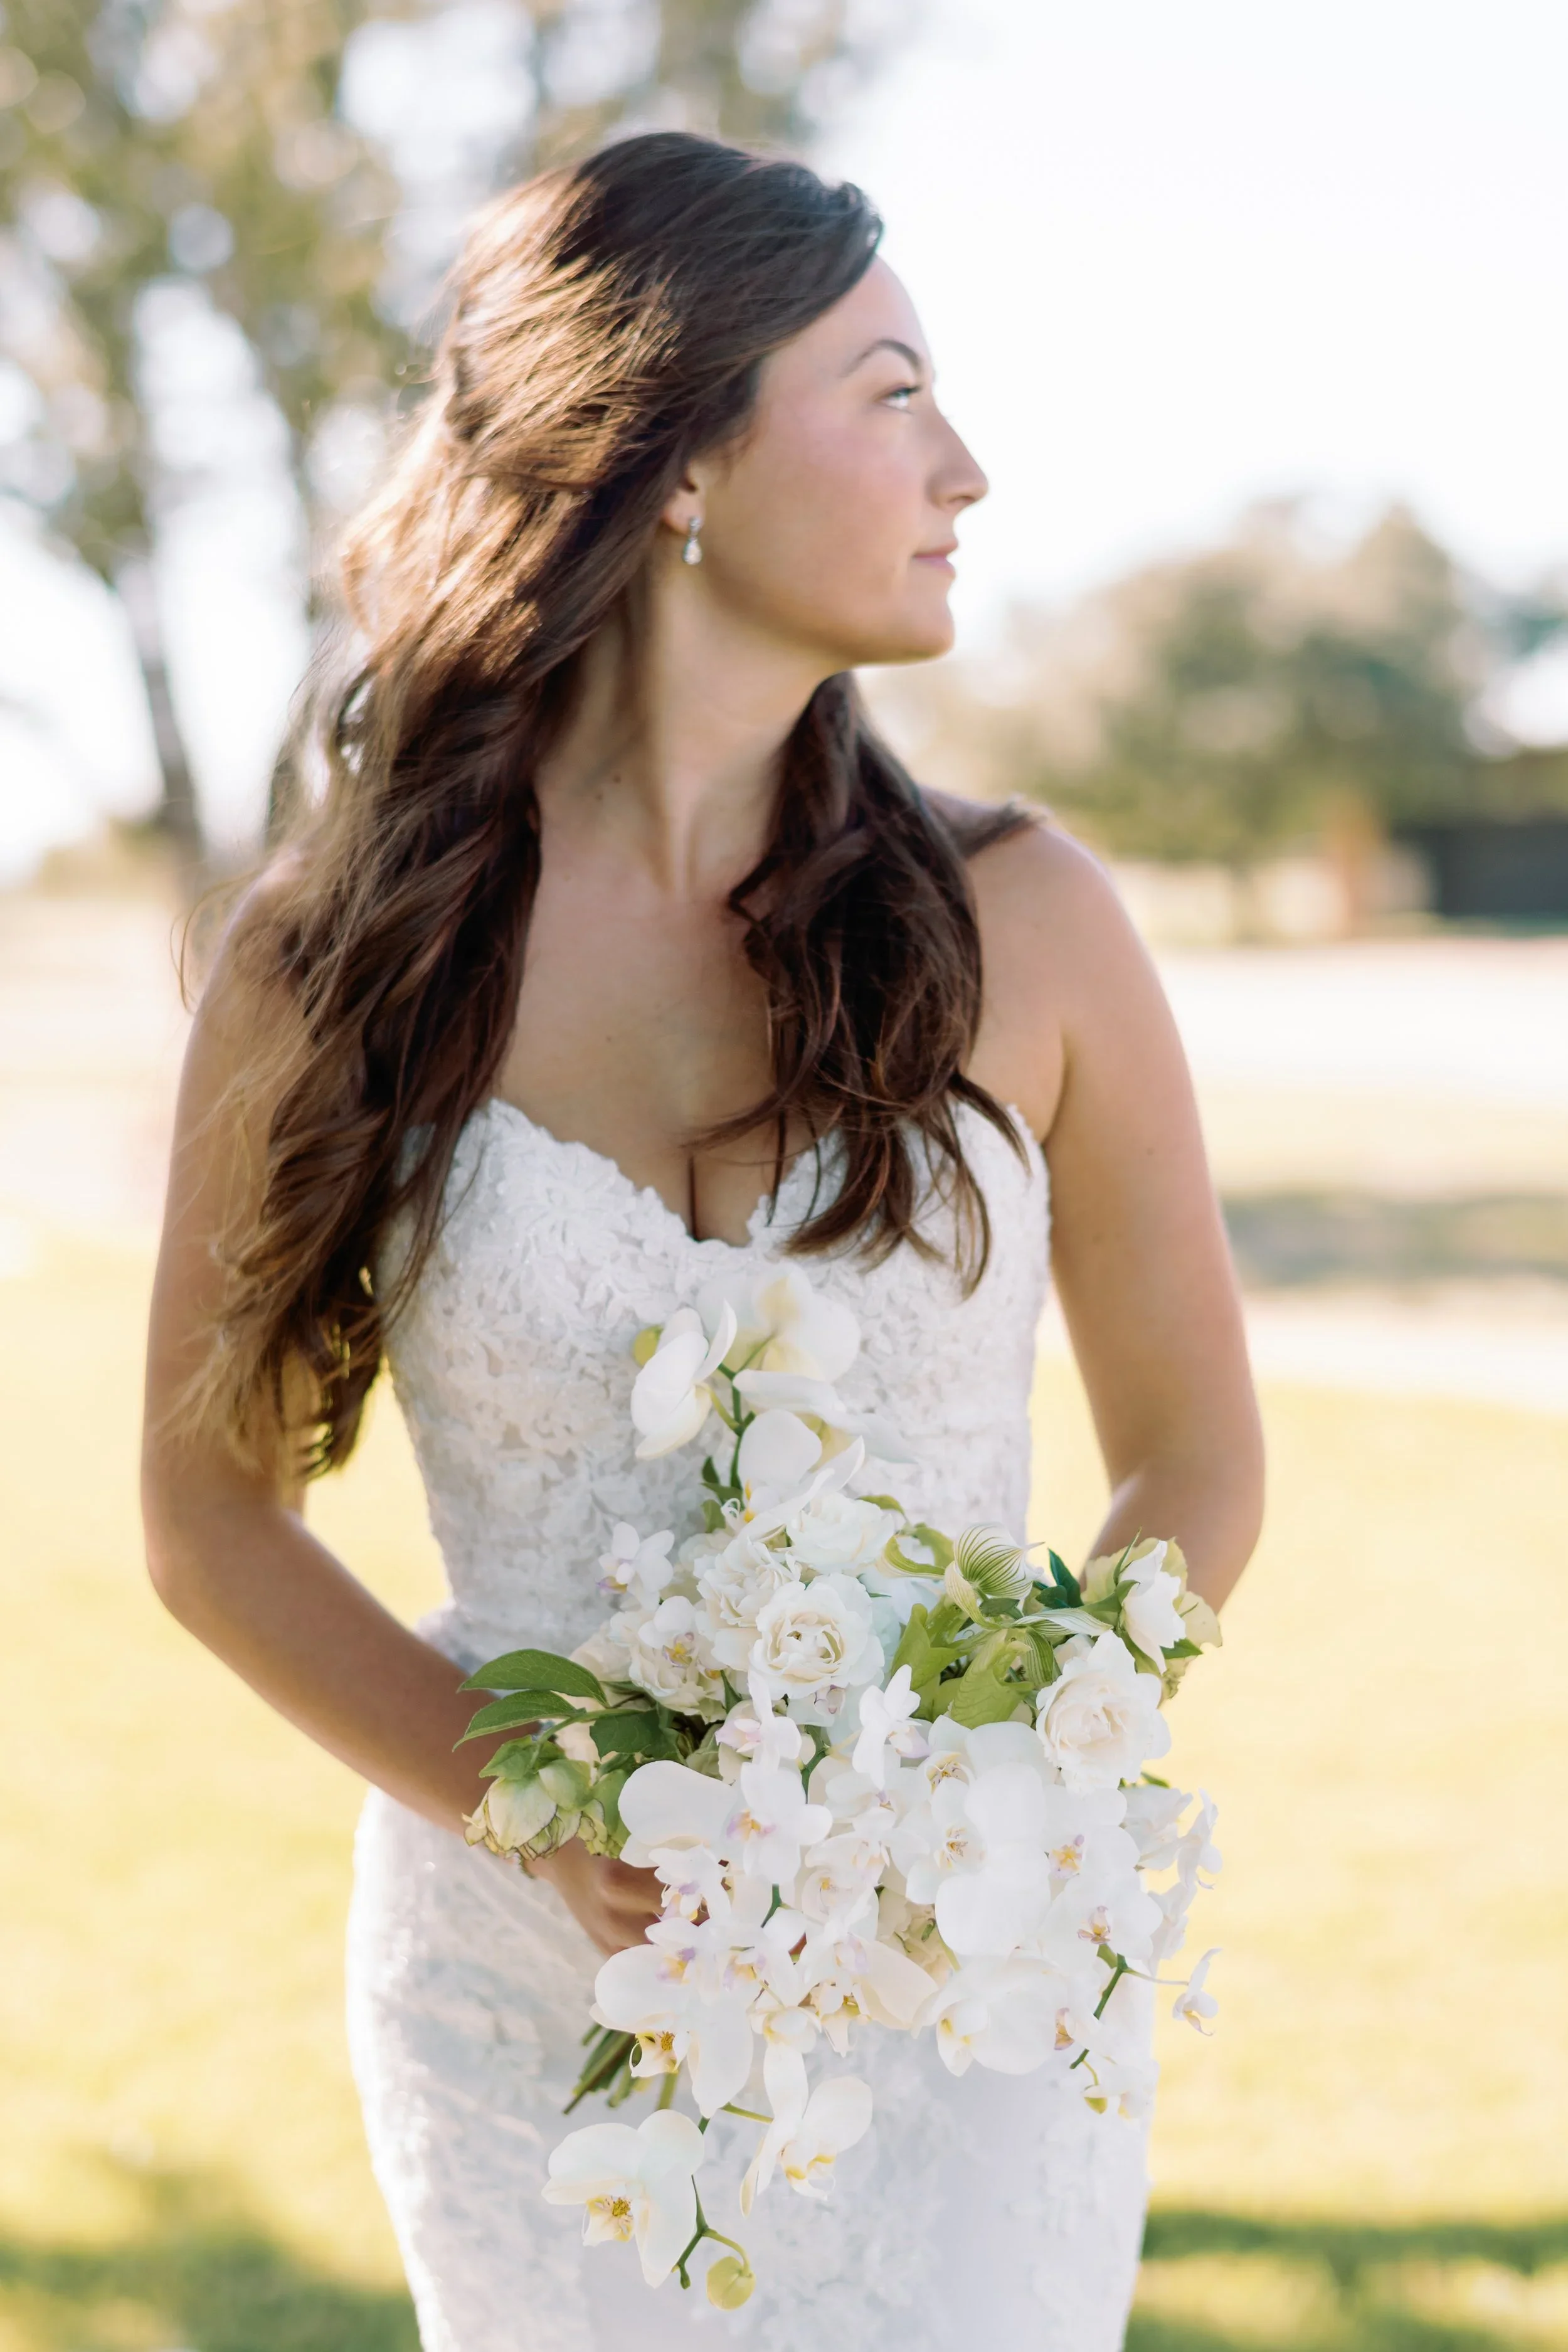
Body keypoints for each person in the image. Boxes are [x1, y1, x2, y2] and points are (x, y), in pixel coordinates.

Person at [142, 131, 1263, 2352]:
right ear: (674, 459)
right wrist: (533, 1820)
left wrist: (992, 1771)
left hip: (963, 1975)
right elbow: (208, 1514)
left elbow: (1193, 1464)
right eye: (889, 391)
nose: (969, 467)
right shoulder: (336, 956)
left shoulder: (1030, 920)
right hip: (530, 1998)